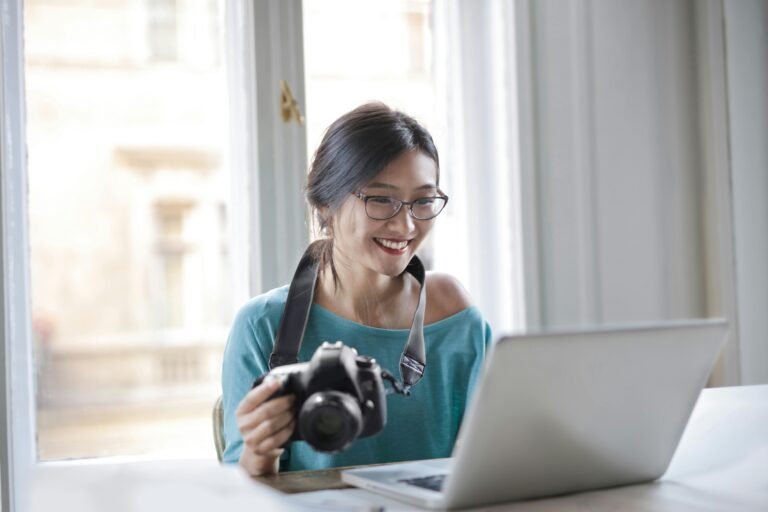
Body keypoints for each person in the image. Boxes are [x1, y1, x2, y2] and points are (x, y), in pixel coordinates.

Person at [221, 102, 492, 476]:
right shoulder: (264, 325)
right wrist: (260, 451)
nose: (406, 225)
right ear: (324, 203)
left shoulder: (453, 313)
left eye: (423, 201)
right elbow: (242, 493)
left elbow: (503, 455)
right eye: (381, 199)